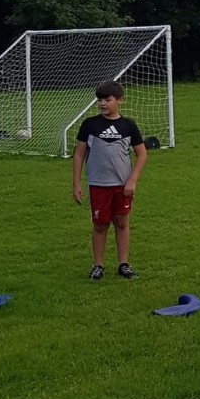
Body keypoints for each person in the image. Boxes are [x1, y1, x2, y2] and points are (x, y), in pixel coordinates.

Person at [72, 79, 148, 280]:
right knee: (100, 225)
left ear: (119, 101)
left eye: (107, 99)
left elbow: (142, 154)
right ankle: (98, 265)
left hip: (122, 186)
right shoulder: (90, 125)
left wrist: (132, 180)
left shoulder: (128, 125)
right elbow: (79, 154)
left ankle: (123, 264)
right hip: (98, 185)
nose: (103, 103)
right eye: (99, 100)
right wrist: (77, 183)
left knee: (121, 222)